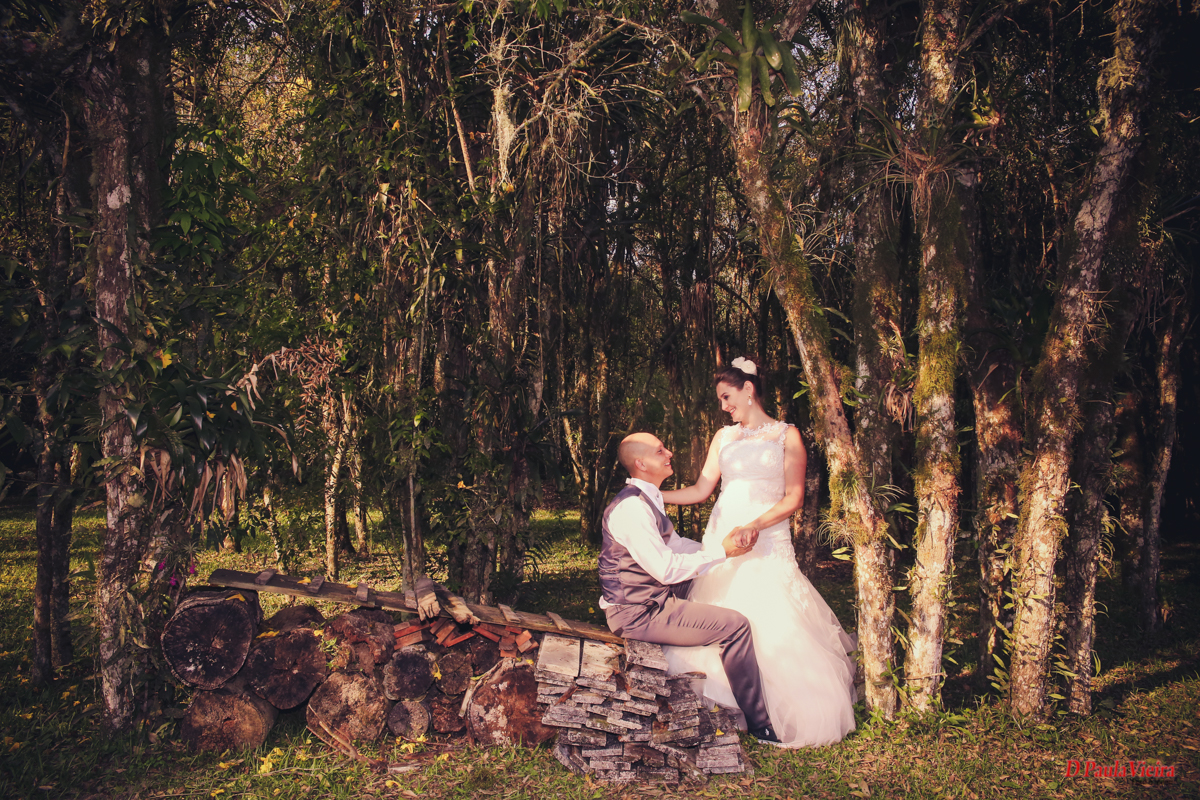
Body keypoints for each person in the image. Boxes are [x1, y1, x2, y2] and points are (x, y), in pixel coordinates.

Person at [659, 357, 857, 747]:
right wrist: (650, 494)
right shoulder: (723, 437)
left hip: (765, 537)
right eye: (720, 399)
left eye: (727, 396)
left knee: (770, 611)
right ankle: (723, 702)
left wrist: (754, 525)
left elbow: (794, 498)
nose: (723, 406)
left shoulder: (788, 435)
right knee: (722, 609)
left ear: (748, 390)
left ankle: (773, 710)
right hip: (723, 534)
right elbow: (701, 491)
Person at [599, 431, 781, 743]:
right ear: (641, 463)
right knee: (735, 626)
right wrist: (722, 553)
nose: (668, 453)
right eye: (660, 451)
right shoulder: (632, 508)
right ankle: (760, 724)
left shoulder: (647, 498)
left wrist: (718, 550)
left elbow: (676, 545)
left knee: (730, 580)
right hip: (639, 611)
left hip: (653, 597)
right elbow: (667, 568)